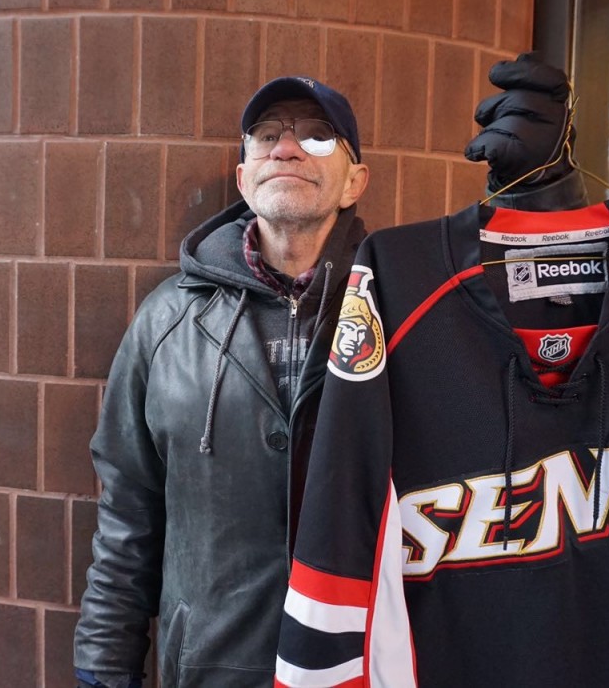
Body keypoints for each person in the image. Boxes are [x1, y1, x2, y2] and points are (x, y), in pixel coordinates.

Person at [74, 56, 583, 688]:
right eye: (267, 136)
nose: (286, 147)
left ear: (354, 182)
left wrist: (544, 205)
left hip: (369, 663)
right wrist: (103, 668)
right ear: (243, 176)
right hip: (213, 669)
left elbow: (552, 345)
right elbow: (129, 512)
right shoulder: (166, 322)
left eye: (317, 136)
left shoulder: (415, 309)